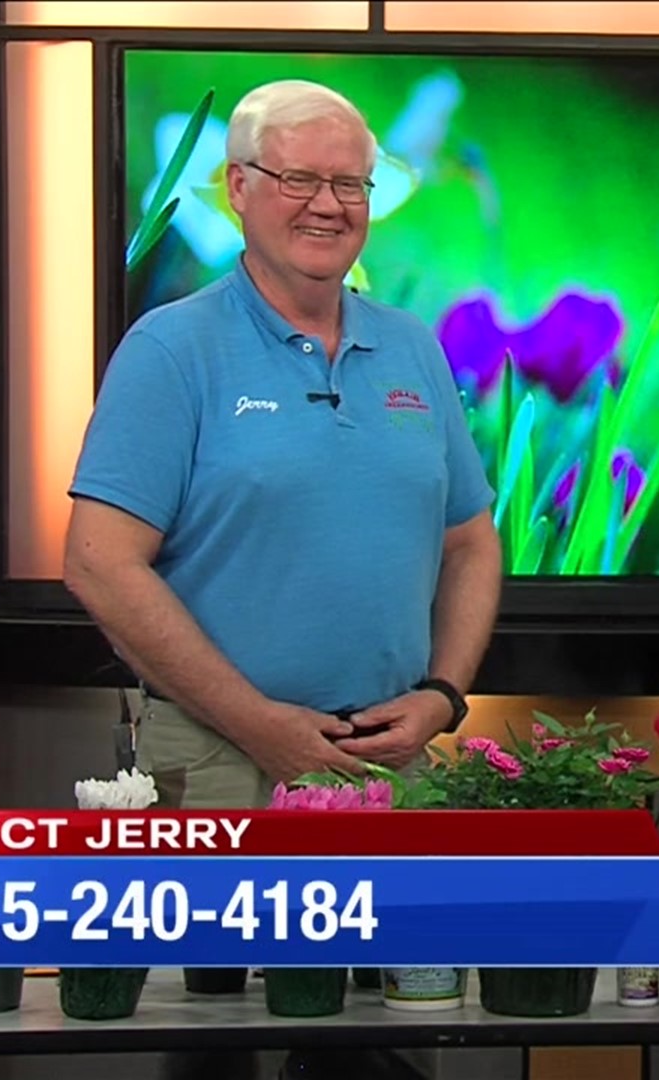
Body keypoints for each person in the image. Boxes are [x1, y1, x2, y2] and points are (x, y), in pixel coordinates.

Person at [63, 79, 503, 813]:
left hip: (390, 766)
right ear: (237, 186)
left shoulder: (412, 348)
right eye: (298, 179)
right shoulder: (171, 349)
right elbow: (98, 563)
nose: (327, 205)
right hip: (214, 767)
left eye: (348, 184)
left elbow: (471, 544)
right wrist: (255, 724)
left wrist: (443, 697)